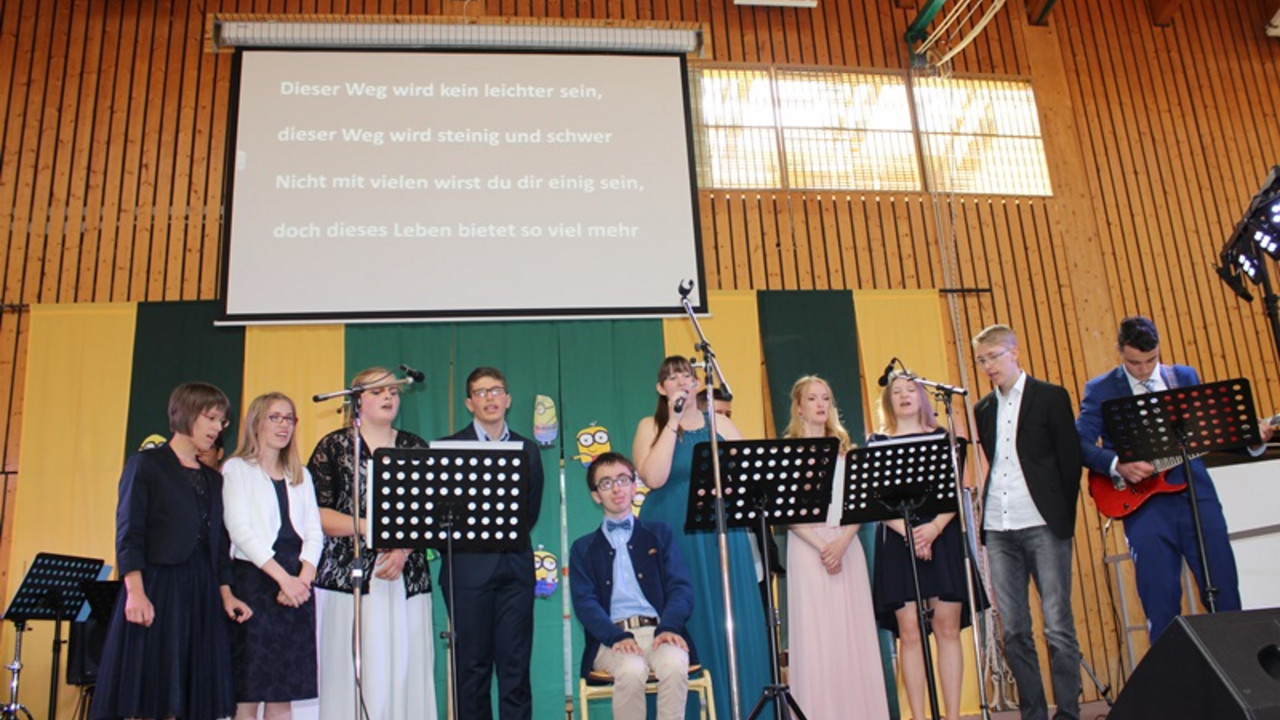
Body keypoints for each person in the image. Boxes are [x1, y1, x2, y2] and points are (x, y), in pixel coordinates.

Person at [1076, 316, 1272, 641]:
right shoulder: (1101, 389)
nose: (1143, 370)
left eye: (1151, 360)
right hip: (1145, 508)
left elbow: (1213, 435)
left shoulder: (1182, 376)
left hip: (1196, 495)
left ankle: (1240, 680)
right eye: (1134, 363)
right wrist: (1116, 464)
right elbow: (1078, 443)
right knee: (1160, 602)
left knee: (1224, 592)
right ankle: (1175, 686)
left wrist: (1253, 440)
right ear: (1119, 352)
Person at [92, 382, 252, 720]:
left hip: (202, 592)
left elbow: (219, 546)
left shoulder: (213, 479)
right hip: (158, 587)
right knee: (151, 692)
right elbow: (129, 532)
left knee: (189, 697)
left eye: (222, 422)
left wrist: (226, 595)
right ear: (186, 414)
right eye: (211, 418)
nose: (217, 428)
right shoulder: (146, 465)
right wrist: (135, 591)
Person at [632, 356, 771, 720]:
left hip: (722, 535)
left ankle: (742, 709)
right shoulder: (651, 425)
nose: (681, 382)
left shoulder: (721, 423)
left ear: (697, 384)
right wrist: (673, 423)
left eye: (687, 376)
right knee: (685, 620)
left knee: (733, 621)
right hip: (672, 537)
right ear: (662, 389)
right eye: (672, 378)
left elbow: (749, 477)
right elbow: (654, 477)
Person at [307, 367, 435, 720]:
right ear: (357, 400)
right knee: (349, 671)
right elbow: (316, 513)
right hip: (348, 580)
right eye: (379, 392)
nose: (389, 397)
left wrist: (403, 549)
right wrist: (372, 528)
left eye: (393, 391)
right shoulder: (333, 446)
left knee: (405, 666)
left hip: (404, 576)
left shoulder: (414, 446)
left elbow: (432, 514)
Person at [972, 324, 1084, 720]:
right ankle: (1033, 713)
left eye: (993, 357)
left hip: (1042, 524)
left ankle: (1068, 712)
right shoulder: (983, 409)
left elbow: (1070, 462)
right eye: (982, 360)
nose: (988, 366)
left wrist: (1060, 517)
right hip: (999, 530)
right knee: (1014, 630)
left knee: (1057, 626)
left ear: (1014, 352)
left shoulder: (1051, 397)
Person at [870, 372, 984, 720]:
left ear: (922, 396)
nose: (904, 395)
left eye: (910, 389)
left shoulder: (942, 437)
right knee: (909, 632)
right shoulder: (877, 441)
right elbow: (873, 498)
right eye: (896, 391)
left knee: (946, 627)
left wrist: (932, 528)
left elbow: (958, 488)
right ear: (888, 401)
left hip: (942, 533)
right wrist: (909, 531)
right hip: (898, 537)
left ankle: (952, 715)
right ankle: (917, 716)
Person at [781, 375, 890, 720]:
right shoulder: (788, 453)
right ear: (799, 406)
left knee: (852, 633)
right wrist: (821, 546)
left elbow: (861, 505)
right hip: (807, 548)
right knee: (816, 636)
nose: (820, 404)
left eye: (825, 398)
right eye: (812, 398)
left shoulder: (847, 451)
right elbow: (787, 515)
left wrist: (841, 542)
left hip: (847, 546)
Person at [440, 366, 545, 720]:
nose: (490, 398)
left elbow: (530, 512)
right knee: (472, 672)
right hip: (466, 575)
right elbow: (441, 521)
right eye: (481, 393)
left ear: (508, 399)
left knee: (515, 672)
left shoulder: (527, 449)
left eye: (496, 390)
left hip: (515, 572)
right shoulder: (449, 449)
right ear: (470, 403)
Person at [570, 451, 696, 720]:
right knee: (631, 670)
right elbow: (585, 604)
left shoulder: (660, 534)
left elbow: (681, 588)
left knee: (675, 664)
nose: (616, 488)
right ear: (596, 495)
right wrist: (617, 637)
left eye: (623, 479)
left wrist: (669, 627)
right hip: (611, 640)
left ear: (634, 485)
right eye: (606, 483)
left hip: (659, 631)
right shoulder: (583, 548)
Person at [222, 392, 324, 720]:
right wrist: (283, 579)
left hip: (296, 585)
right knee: (249, 691)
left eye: (289, 418)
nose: (284, 425)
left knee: (285, 692)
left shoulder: (301, 474)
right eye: (275, 417)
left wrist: (302, 582)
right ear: (256, 422)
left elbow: (313, 532)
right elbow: (240, 530)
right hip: (255, 581)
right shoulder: (237, 469)